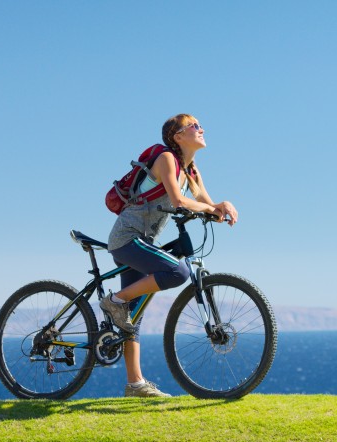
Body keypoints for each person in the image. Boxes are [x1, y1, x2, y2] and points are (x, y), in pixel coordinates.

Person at [101, 113, 241, 398]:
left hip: (144, 241)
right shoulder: (166, 158)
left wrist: (220, 207)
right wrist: (210, 209)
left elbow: (203, 201)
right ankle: (113, 301)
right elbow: (178, 200)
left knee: (133, 316)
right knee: (178, 272)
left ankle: (134, 384)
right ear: (177, 136)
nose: (202, 129)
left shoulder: (190, 169)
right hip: (127, 239)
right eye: (194, 126)